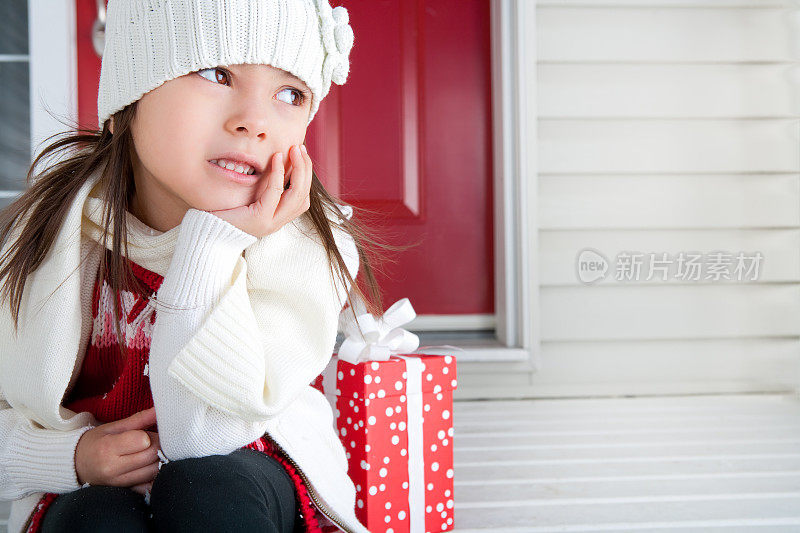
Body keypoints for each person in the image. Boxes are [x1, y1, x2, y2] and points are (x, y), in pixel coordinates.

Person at [0, 0, 397, 532]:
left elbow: (200, 439)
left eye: (290, 94)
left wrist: (212, 246)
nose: (254, 122)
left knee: (208, 488)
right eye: (217, 74)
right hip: (92, 484)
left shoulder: (300, 251)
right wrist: (70, 457)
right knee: (93, 519)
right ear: (130, 95)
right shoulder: (46, 240)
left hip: (246, 468)